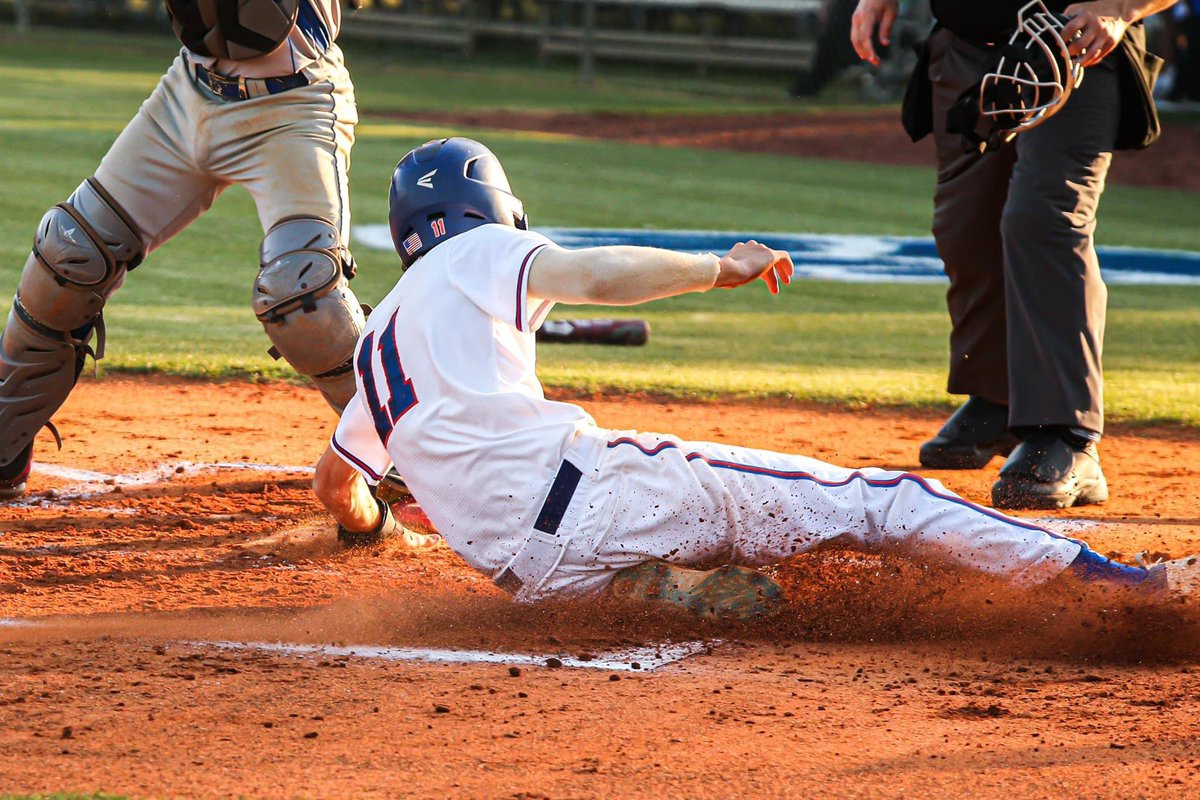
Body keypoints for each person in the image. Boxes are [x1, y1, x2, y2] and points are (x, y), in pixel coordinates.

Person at [312, 137, 1199, 620]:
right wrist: (717, 268)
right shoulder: (482, 253)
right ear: (493, 208)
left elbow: (336, 486)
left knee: (719, 561)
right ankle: (1120, 585)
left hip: (528, 578)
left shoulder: (374, 343)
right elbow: (594, 274)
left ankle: (661, 588)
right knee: (880, 502)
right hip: (599, 497)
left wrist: (380, 526)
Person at [0, 0, 369, 499]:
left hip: (293, 106)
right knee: (69, 253)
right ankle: (5, 436)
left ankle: (405, 453)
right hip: (187, 94)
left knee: (303, 293)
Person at [849, 0, 1177, 510]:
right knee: (966, 225)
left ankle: (1066, 433)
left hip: (1075, 46)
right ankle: (999, 396)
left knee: (1043, 221)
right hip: (965, 43)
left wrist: (1119, 7)